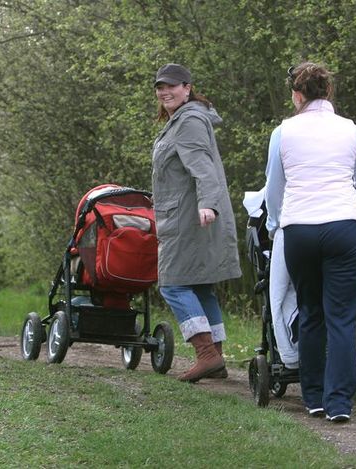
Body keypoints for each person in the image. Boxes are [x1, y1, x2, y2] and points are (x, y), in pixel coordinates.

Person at [265, 62, 356, 423]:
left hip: (299, 229)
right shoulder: (352, 130)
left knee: (311, 312)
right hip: (342, 225)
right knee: (342, 318)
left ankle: (313, 397)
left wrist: (274, 224)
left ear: (297, 96)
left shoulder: (283, 132)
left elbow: (274, 186)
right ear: (328, 92)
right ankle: (340, 403)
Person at [151, 63, 242, 382]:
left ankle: (206, 354)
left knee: (173, 283)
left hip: (190, 218)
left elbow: (203, 168)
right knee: (201, 285)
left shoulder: (188, 120)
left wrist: (207, 205)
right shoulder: (184, 119)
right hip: (189, 215)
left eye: (172, 86)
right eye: (160, 87)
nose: (164, 91)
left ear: (187, 88)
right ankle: (215, 356)